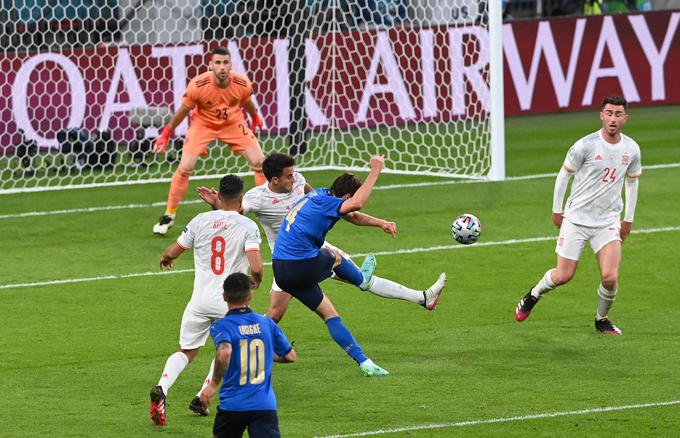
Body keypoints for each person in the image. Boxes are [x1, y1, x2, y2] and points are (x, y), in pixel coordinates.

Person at [198, 152, 447, 324]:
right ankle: (245, 337)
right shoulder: (256, 198)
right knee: (274, 315)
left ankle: (422, 298)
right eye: (288, 175)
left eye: (294, 173)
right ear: (274, 179)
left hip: (316, 250)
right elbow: (232, 215)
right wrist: (216, 205)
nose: (294, 178)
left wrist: (379, 222)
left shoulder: (299, 182)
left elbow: (328, 204)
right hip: (289, 259)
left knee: (362, 279)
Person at [271, 155, 446, 376]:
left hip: (282, 270)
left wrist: (380, 223)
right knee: (334, 256)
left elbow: (351, 213)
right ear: (345, 196)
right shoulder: (331, 201)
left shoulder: (321, 194)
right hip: (300, 264)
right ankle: (361, 279)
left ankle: (365, 363)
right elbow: (356, 204)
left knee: (330, 314)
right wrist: (375, 171)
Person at [514, 95, 641, 335]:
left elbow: (632, 183)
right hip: (576, 219)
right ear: (601, 115)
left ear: (625, 118)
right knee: (563, 275)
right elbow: (564, 175)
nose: (613, 118)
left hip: (607, 222)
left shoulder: (632, 149)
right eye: (609, 113)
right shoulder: (586, 145)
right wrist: (557, 209)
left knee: (610, 278)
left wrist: (628, 219)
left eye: (618, 114)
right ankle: (533, 294)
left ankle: (601, 319)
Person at [149, 174, 264, 427]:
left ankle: (162, 387)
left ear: (219, 196)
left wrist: (167, 258)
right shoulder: (247, 226)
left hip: (199, 301)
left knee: (187, 351)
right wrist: (256, 279)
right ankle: (203, 396)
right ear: (242, 197)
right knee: (229, 349)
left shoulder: (200, 220)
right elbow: (256, 264)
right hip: (230, 301)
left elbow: (172, 251)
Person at [151, 46, 267, 236]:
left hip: (233, 123)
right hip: (203, 125)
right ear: (210, 65)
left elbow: (246, 102)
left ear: (230, 64)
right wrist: (165, 133)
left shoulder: (241, 83)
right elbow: (183, 111)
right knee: (186, 166)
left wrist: (255, 117)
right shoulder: (198, 85)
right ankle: (169, 215)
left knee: (259, 162)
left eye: (225, 62)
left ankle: (264, 210)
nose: (222, 67)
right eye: (218, 63)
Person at [199, 272, 297, 438]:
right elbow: (290, 356)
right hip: (264, 405)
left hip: (233, 405)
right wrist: (266, 354)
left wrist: (213, 385)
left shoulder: (222, 326)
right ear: (250, 296)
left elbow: (225, 351)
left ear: (224, 297)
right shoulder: (267, 323)